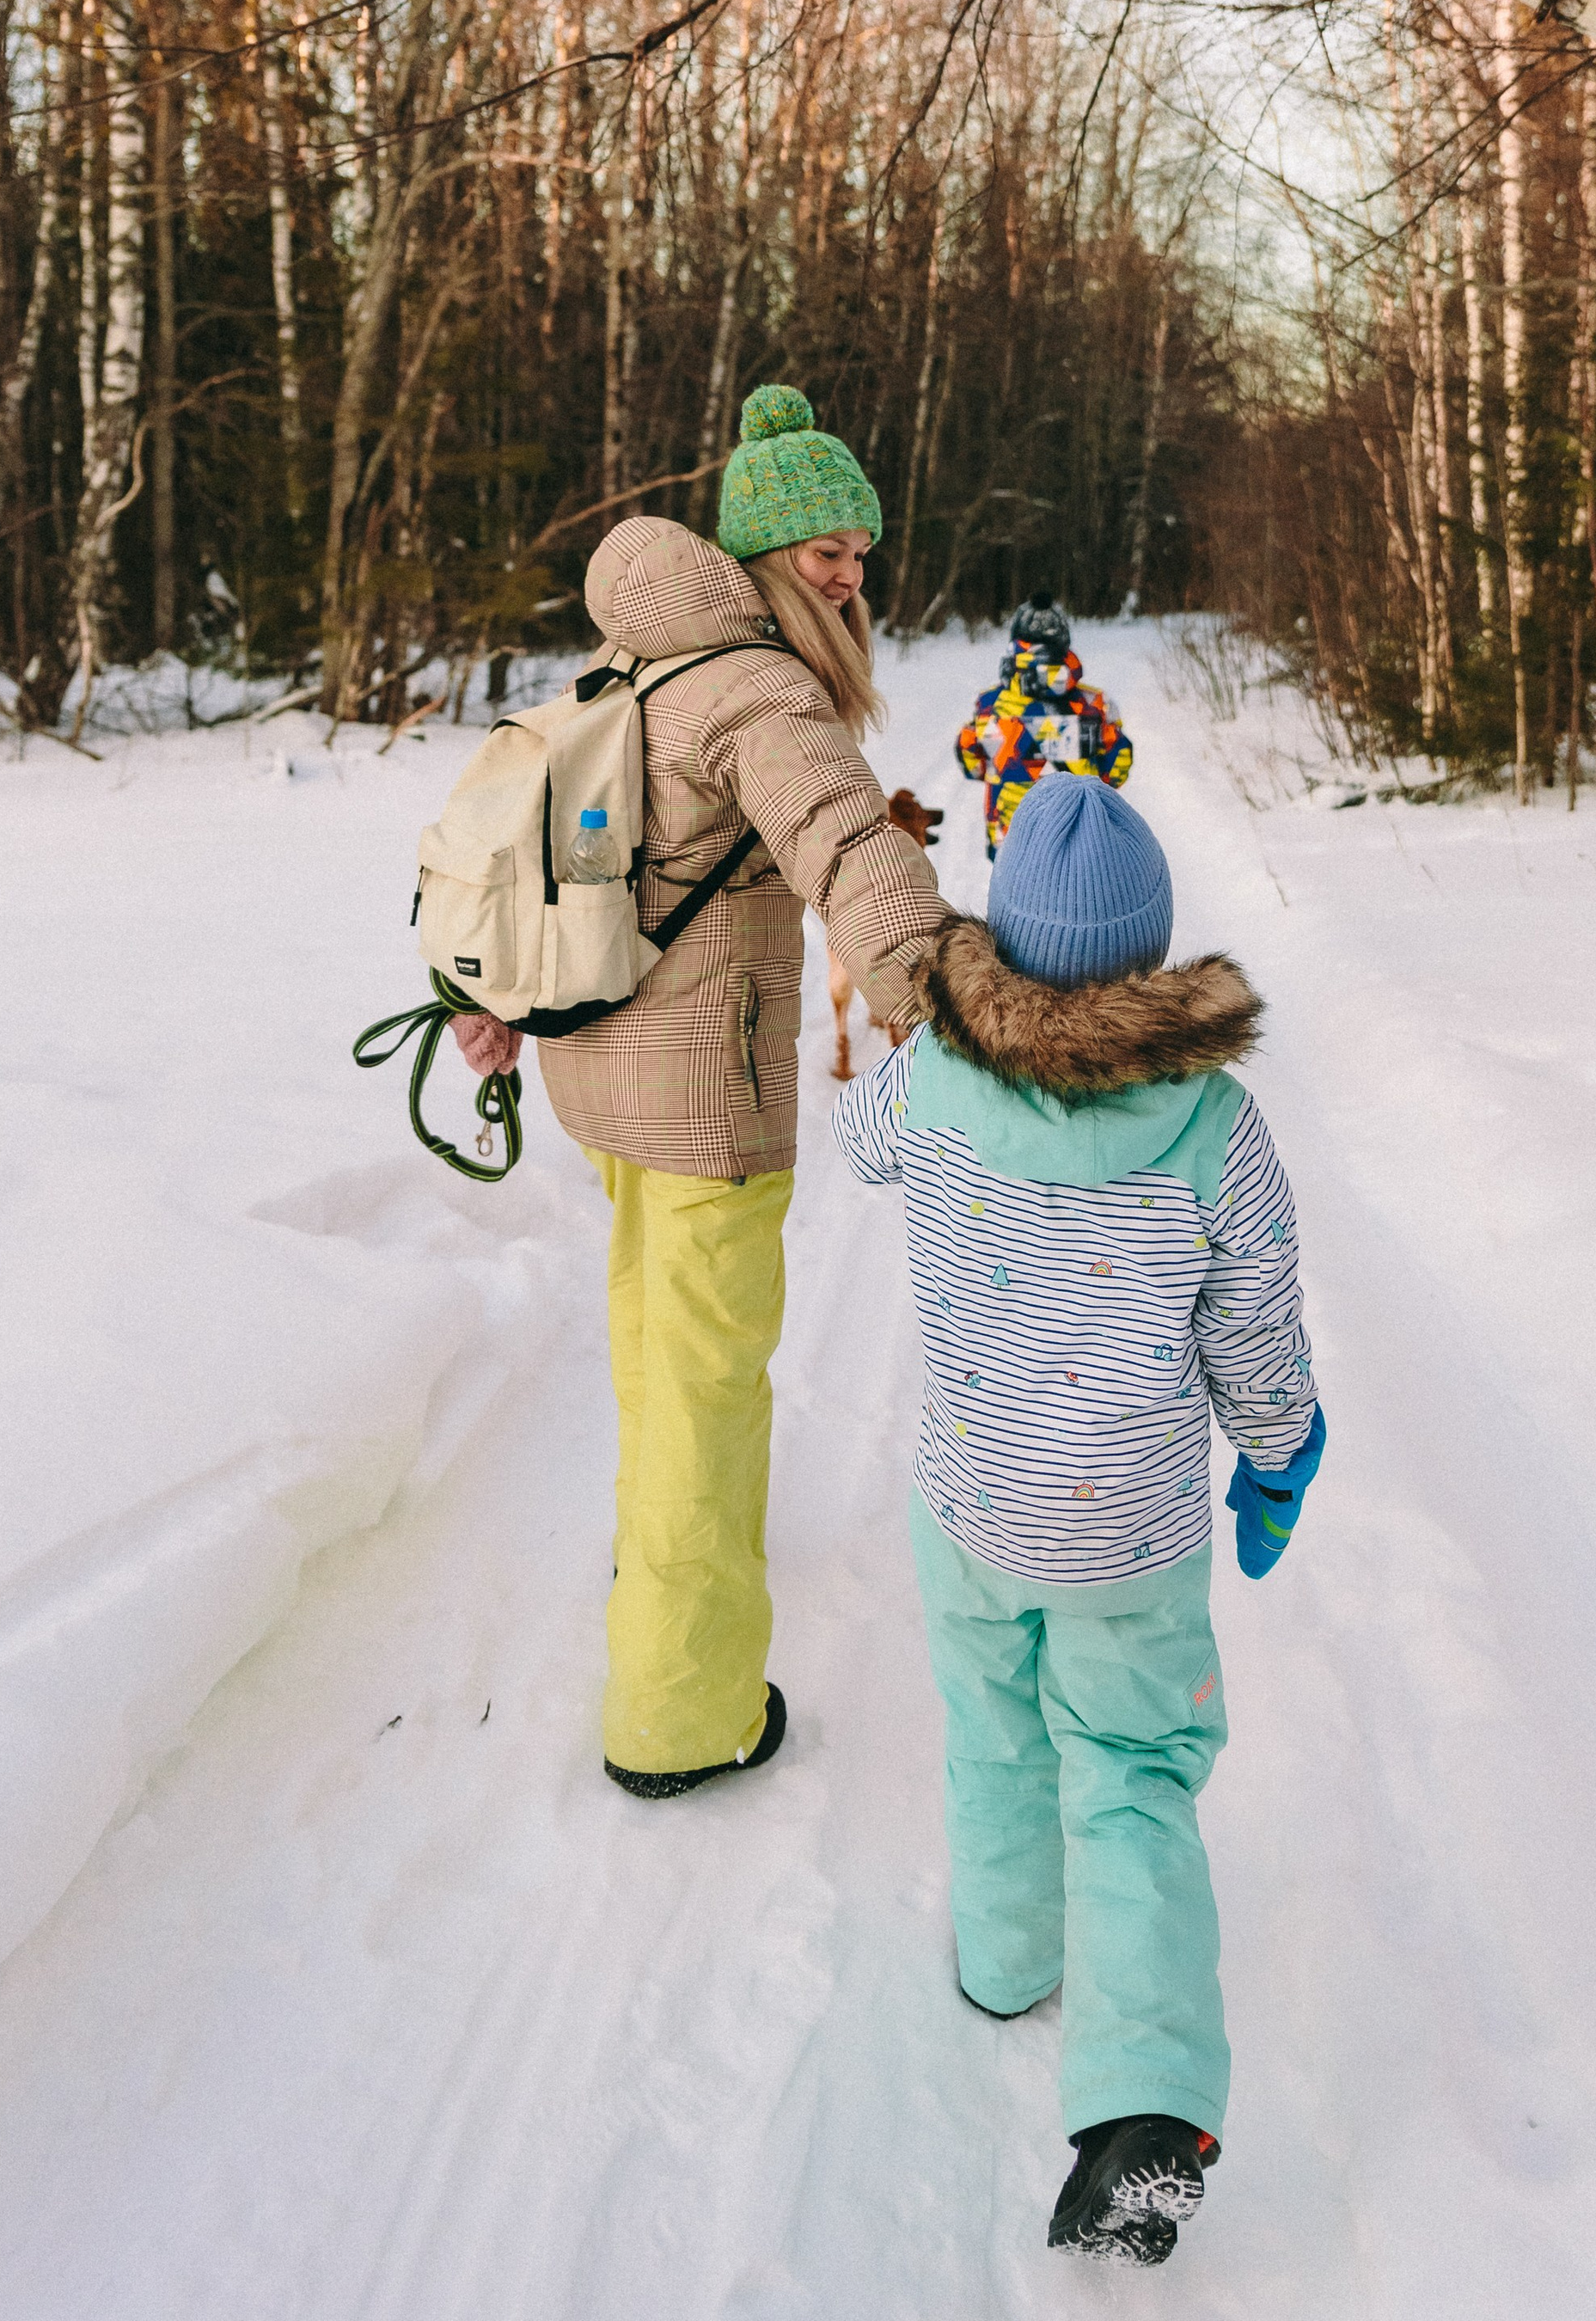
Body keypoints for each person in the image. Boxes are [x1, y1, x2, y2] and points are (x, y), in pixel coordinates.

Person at [831, 772, 1324, 2267]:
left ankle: (1005, 1963)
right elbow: (1258, 1326)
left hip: (973, 1504)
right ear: (1154, 956)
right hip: (1131, 1539)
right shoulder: (1214, 1127)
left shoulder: (932, 1078)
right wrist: (1281, 1450)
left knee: (992, 1730)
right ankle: (1148, 2101)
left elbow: (858, 1144)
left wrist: (920, 1035)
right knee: (1130, 1770)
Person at [450, 385, 945, 1798]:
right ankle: (681, 1710)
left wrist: (499, 995)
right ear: (759, 548)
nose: (848, 570)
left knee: (652, 1349)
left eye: (859, 544)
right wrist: (945, 995)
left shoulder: (635, 666)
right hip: (701, 1105)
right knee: (707, 1389)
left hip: (602, 1076)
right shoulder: (761, 689)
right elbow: (846, 844)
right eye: (821, 546)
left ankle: (654, 1560)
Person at [957, 597, 1133, 856]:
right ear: (1064, 642)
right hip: (1083, 839)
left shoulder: (988, 705)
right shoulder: (1097, 704)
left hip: (1012, 843)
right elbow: (1118, 766)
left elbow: (971, 760)